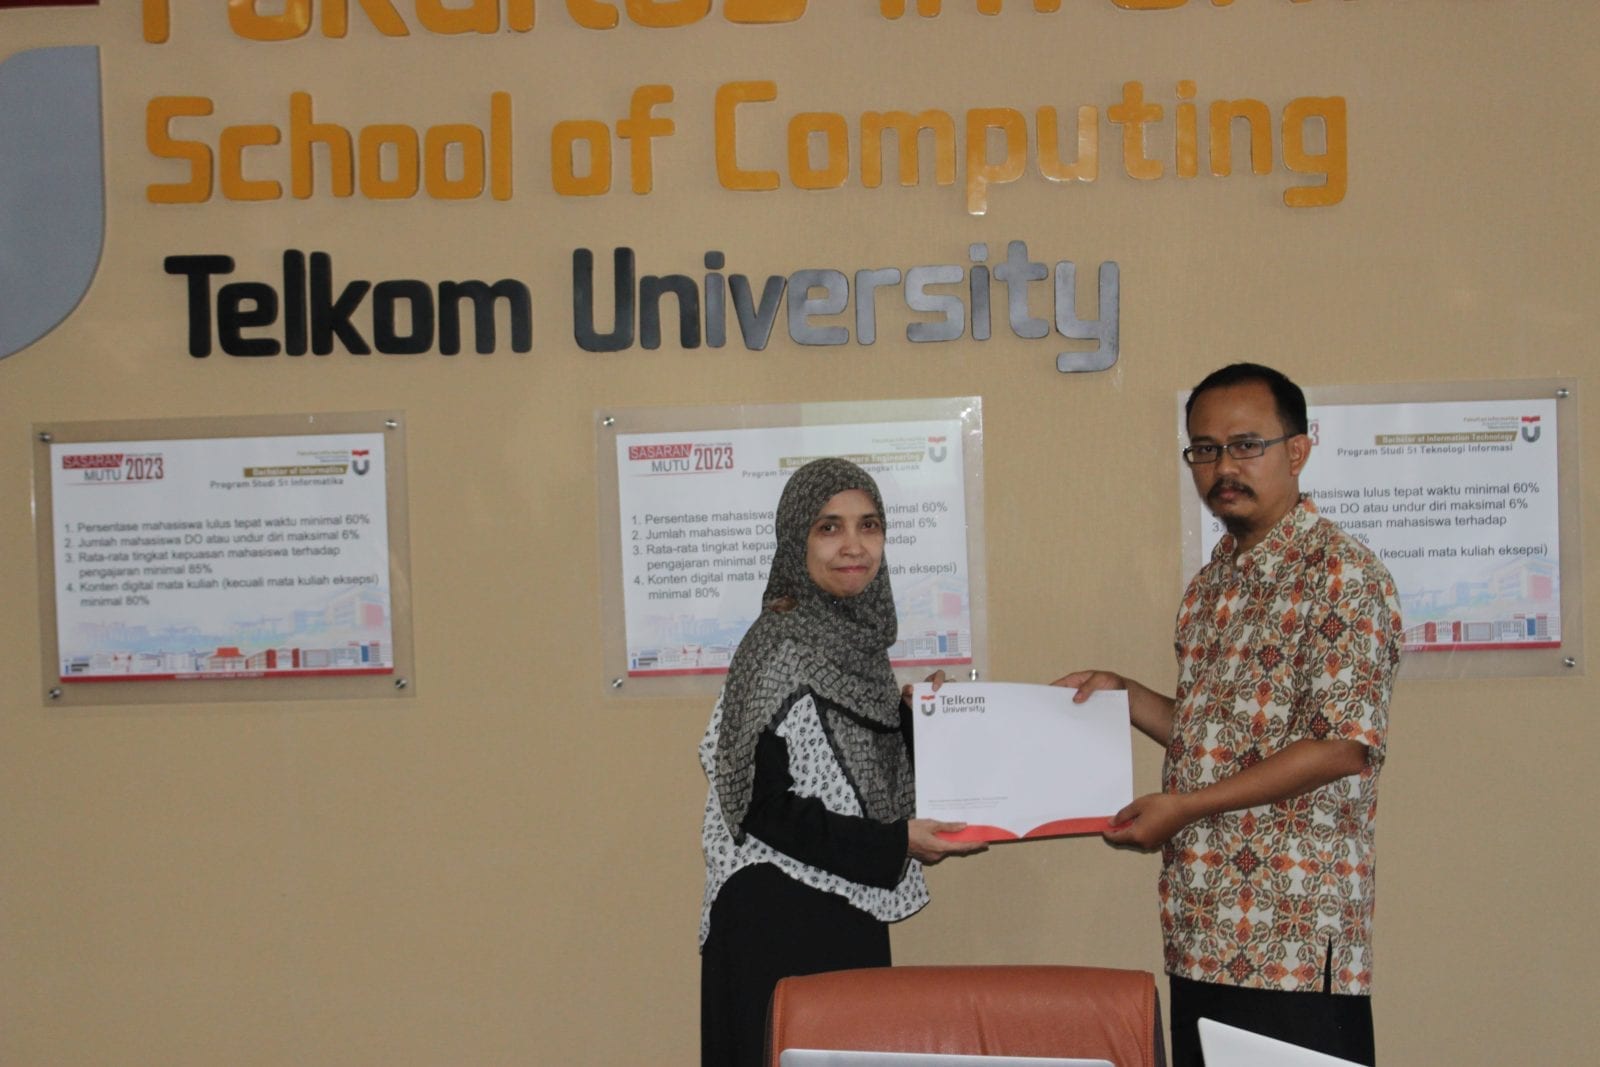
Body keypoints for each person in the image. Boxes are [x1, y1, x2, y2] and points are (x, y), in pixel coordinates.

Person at [1058, 363, 1403, 1067]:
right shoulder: (1212, 585)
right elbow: (1211, 734)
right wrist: (1123, 693)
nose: (1223, 468)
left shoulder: (1342, 574)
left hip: (1292, 937)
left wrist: (1184, 807)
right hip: (1201, 926)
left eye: (1245, 445)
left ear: (1297, 450)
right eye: (1206, 449)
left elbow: (1341, 745)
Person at [698, 457, 984, 1067]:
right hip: (776, 920)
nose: (854, 546)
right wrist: (894, 843)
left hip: (846, 904)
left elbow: (853, 772)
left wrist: (924, 720)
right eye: (829, 527)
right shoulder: (777, 644)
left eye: (868, 525)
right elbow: (758, 805)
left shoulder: (857, 643)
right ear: (795, 539)